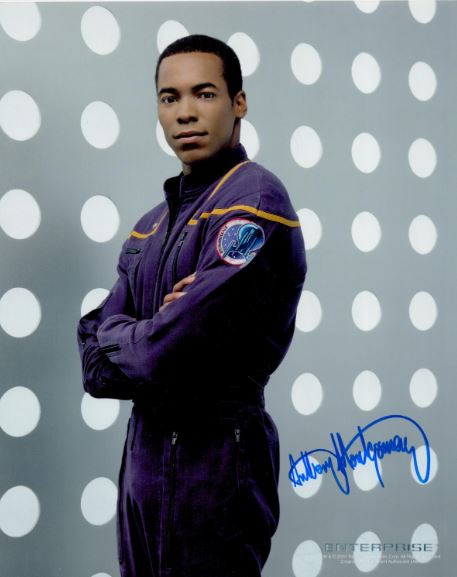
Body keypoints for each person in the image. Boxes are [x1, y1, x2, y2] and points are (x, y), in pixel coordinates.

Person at [77, 34, 307, 577]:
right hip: (143, 457)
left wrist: (124, 330)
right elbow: (94, 371)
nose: (184, 113)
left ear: (238, 102)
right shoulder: (150, 224)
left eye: (204, 94)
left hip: (218, 457)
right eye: (169, 97)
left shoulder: (254, 201)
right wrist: (151, 329)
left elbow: (167, 351)